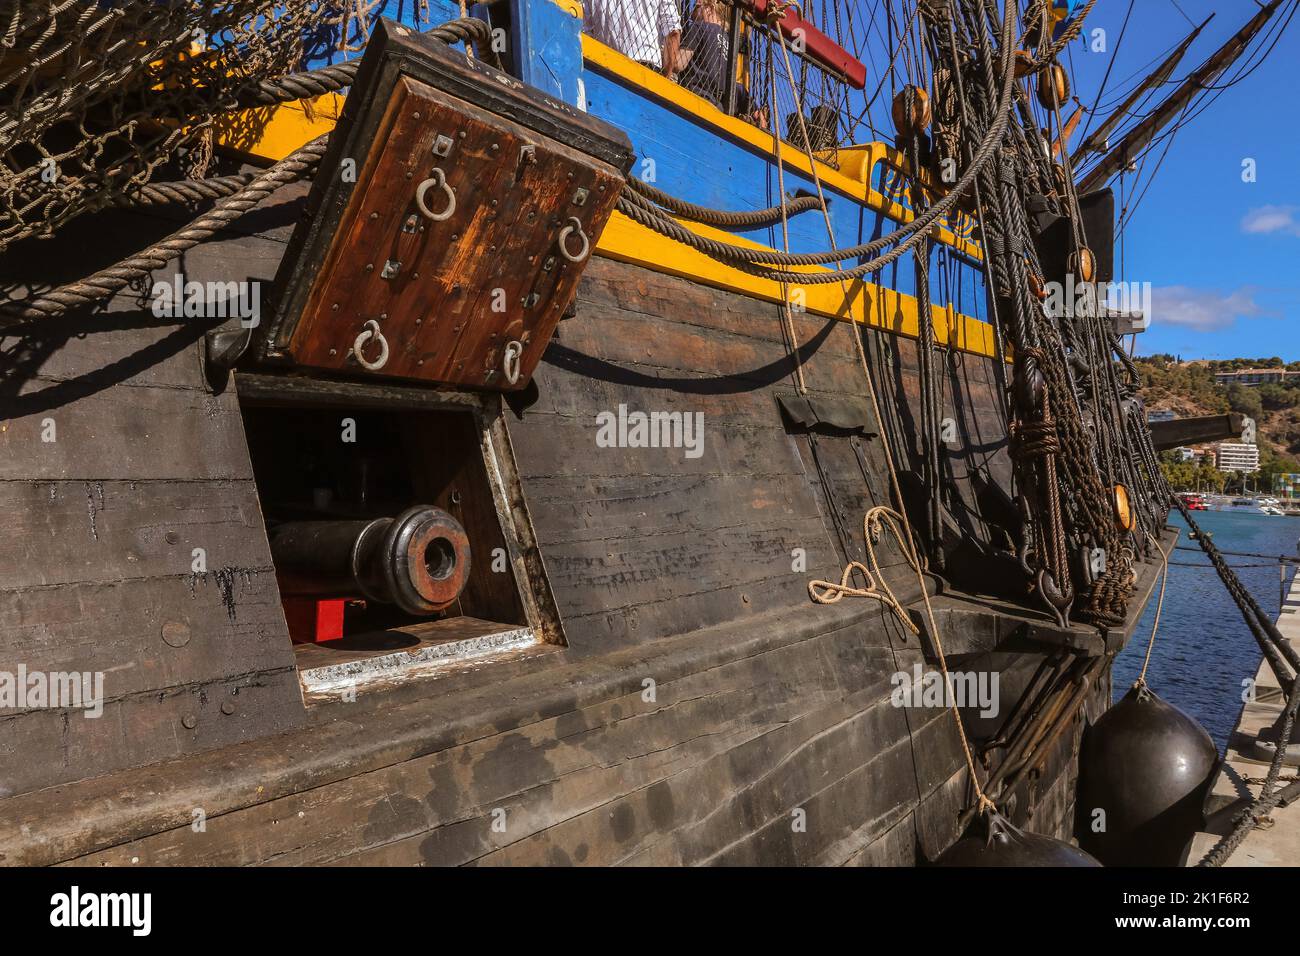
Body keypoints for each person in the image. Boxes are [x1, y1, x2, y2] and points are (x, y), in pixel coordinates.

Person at [586, 0, 682, 75]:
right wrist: (666, 79)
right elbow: (673, 31)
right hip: (644, 66)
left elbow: (585, 32)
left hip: (604, 66)